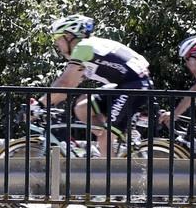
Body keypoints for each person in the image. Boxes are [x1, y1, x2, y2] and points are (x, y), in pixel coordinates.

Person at [46, 14, 153, 154]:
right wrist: (46, 103)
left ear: (69, 35)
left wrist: (40, 103)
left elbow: (64, 82)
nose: (57, 44)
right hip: (126, 84)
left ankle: (109, 173)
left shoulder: (83, 47)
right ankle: (120, 134)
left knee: (105, 139)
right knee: (82, 107)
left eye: (58, 38)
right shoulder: (89, 48)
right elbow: (69, 87)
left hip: (135, 86)